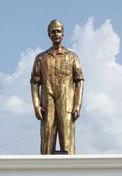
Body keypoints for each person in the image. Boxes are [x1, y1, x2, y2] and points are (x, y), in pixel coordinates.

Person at [30, 19, 84, 154]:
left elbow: (79, 80)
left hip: (66, 99)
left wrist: (78, 104)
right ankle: (45, 169)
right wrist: (36, 105)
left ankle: (70, 169)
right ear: (48, 34)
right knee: (47, 133)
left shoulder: (72, 57)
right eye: (53, 32)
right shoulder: (41, 58)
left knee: (67, 134)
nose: (56, 34)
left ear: (63, 34)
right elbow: (34, 82)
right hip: (47, 100)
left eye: (58, 31)